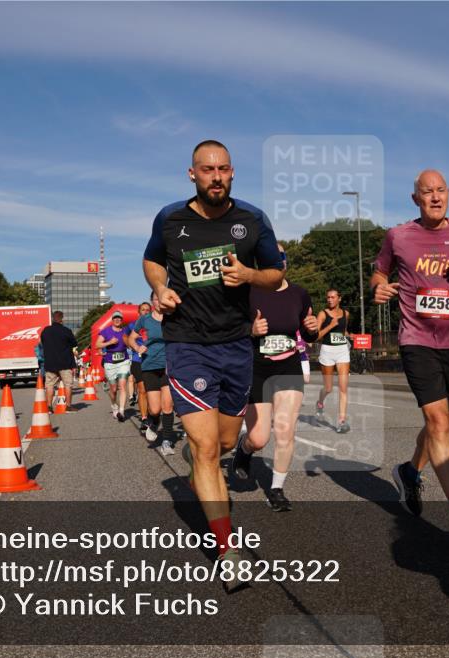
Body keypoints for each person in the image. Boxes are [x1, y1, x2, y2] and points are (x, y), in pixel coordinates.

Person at [143, 139, 283, 587]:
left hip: (236, 344)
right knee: (205, 449)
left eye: (223, 169)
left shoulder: (251, 219)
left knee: (223, 443)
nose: (216, 177)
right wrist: (160, 288)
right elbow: (151, 260)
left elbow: (276, 272)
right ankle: (227, 549)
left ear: (233, 172)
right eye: (207, 170)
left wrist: (248, 276)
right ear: (192, 174)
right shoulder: (170, 218)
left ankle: (207, 460)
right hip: (187, 343)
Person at [371, 169, 449, 544]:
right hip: (417, 340)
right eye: (427, 192)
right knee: (437, 423)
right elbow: (378, 272)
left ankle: (410, 471)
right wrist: (379, 288)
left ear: (448, 194)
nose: (435, 197)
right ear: (415, 199)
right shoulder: (399, 236)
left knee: (443, 426)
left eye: (440, 191)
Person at [230, 245, 319, 511]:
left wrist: (312, 330)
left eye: (281, 256)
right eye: (271, 257)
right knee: (258, 438)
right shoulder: (248, 293)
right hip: (256, 367)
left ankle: (277, 488)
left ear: (286, 262)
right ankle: (244, 451)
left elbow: (309, 331)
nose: (277, 260)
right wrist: (251, 330)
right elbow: (231, 329)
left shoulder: (299, 294)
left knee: (285, 431)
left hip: (288, 366)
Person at [127, 293, 176, 454]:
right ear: (152, 301)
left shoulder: (173, 317)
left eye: (162, 298)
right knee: (155, 409)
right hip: (149, 366)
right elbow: (131, 338)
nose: (159, 301)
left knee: (167, 407)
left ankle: (167, 440)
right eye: (156, 299)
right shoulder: (145, 319)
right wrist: (137, 347)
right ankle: (154, 422)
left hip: (169, 366)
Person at [314, 289, 352, 432]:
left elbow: (343, 332)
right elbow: (316, 336)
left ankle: (341, 422)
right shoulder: (322, 314)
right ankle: (320, 403)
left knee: (343, 388)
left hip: (342, 351)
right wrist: (330, 325)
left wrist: (349, 336)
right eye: (328, 297)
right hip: (327, 352)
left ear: (339, 299)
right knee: (328, 388)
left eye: (333, 297)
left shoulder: (345, 314)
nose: (329, 300)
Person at [96, 311, 132, 422]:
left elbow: (132, 339)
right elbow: (97, 344)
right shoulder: (106, 331)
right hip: (110, 363)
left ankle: (121, 411)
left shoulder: (125, 331)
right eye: (115, 318)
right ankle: (114, 406)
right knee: (114, 389)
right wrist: (109, 343)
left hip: (123, 361)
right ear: (112, 320)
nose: (117, 320)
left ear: (122, 320)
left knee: (122, 386)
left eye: (119, 318)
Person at [40, 310, 79, 413]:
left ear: (53, 318)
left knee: (49, 385)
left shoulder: (46, 331)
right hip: (65, 363)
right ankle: (68, 406)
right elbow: (74, 343)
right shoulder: (66, 331)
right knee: (68, 385)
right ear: (62, 319)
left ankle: (49, 407)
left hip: (50, 363)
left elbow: (43, 342)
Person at [125, 301, 152, 426]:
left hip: (153, 360)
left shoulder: (155, 324)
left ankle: (153, 413)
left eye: (148, 310)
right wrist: (133, 346)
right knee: (142, 389)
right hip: (138, 360)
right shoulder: (132, 325)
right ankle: (144, 417)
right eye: (143, 310)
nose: (146, 312)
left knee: (152, 389)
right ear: (138, 312)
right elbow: (125, 337)